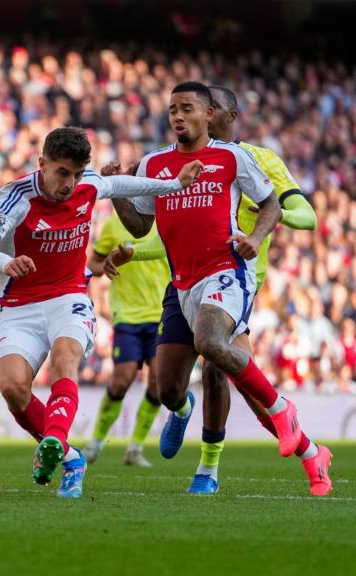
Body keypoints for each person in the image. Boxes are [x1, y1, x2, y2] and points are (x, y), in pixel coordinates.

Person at [103, 84, 329, 495]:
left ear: (212, 114)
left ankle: (225, 457)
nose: (176, 116)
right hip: (181, 283)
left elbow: (277, 205)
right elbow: (141, 225)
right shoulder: (154, 164)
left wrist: (255, 239)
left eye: (186, 108)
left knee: (213, 354)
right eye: (171, 109)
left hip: (229, 274)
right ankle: (190, 412)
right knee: (167, 388)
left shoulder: (239, 157)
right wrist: (118, 190)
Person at [0, 126, 202, 498]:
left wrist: (174, 185)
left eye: (77, 174)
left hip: (70, 295)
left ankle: (54, 444)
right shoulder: (15, 196)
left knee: (65, 359)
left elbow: (125, 186)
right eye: (62, 173)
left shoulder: (87, 185)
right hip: (20, 304)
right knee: (13, 388)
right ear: (42, 163)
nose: (70, 183)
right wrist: (5, 260)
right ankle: (71, 456)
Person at [84, 208, 168, 467]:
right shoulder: (112, 226)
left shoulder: (166, 221)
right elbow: (93, 265)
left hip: (162, 313)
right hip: (127, 315)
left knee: (158, 383)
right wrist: (107, 265)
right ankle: (96, 443)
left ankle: (135, 448)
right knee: (122, 380)